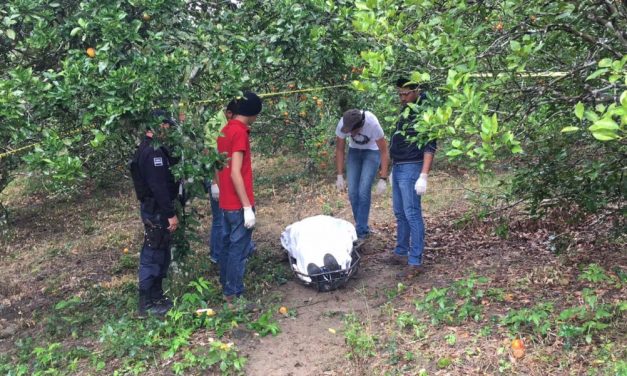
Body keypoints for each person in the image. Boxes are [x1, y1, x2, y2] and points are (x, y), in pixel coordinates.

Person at [130, 110, 180, 317]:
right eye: (167, 126)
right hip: (156, 210)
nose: (169, 130)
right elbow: (158, 186)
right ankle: (146, 303)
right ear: (159, 126)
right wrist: (170, 213)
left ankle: (157, 295)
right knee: (152, 254)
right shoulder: (152, 153)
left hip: (157, 209)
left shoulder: (157, 149)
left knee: (161, 252)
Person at [387, 77, 436, 280]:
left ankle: (415, 261)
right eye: (399, 94)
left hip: (412, 167)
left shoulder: (425, 113)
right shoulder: (405, 111)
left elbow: (430, 145)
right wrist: (391, 169)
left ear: (416, 91)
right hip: (399, 167)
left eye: (405, 94)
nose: (402, 98)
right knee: (400, 212)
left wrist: (423, 175)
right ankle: (401, 251)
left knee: (412, 213)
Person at [216, 91, 262, 304]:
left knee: (226, 246)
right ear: (253, 113)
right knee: (239, 249)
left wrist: (218, 187)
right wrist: (246, 207)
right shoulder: (240, 133)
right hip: (237, 202)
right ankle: (234, 294)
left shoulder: (224, 131)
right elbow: (235, 172)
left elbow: (219, 165)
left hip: (225, 201)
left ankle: (226, 287)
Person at [335, 109, 389, 241]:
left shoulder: (373, 124)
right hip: (354, 152)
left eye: (352, 131)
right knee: (353, 191)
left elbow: (383, 150)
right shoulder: (343, 122)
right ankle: (362, 226)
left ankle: (361, 232)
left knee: (363, 190)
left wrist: (383, 177)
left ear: (360, 125)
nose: (349, 133)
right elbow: (340, 149)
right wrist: (340, 175)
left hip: (372, 152)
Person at [205, 100, 238, 264]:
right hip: (216, 175)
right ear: (229, 113)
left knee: (229, 214)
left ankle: (231, 249)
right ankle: (217, 255)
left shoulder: (227, 123)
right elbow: (211, 155)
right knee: (219, 217)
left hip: (225, 174)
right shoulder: (216, 125)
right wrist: (214, 183)